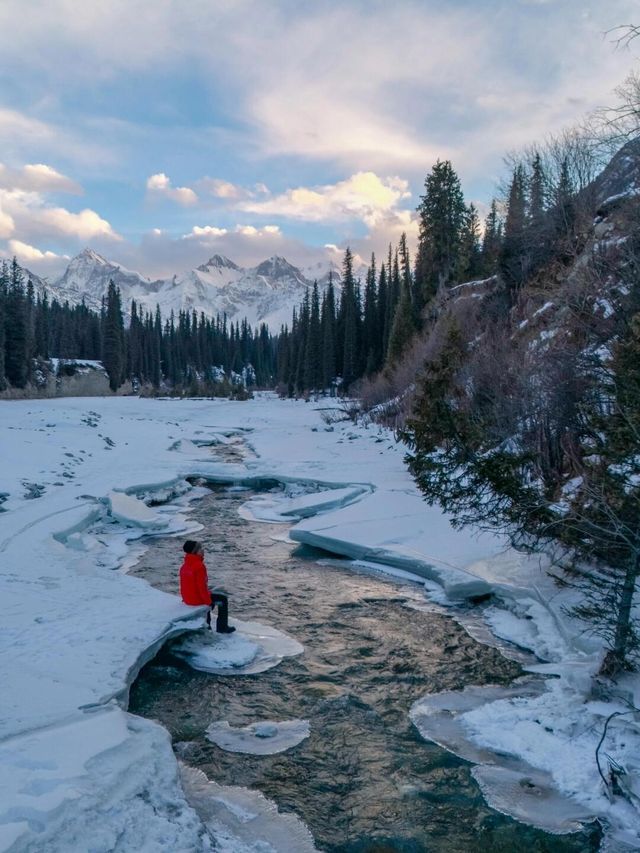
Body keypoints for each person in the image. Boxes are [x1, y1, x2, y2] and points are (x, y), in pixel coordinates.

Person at [179, 540, 235, 633]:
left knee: (211, 592)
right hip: (196, 599)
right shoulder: (199, 566)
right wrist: (208, 602)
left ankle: (208, 624)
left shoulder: (184, 565)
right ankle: (222, 627)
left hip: (187, 598)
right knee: (223, 599)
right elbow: (201, 588)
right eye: (200, 548)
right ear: (195, 551)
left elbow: (184, 585)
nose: (203, 550)